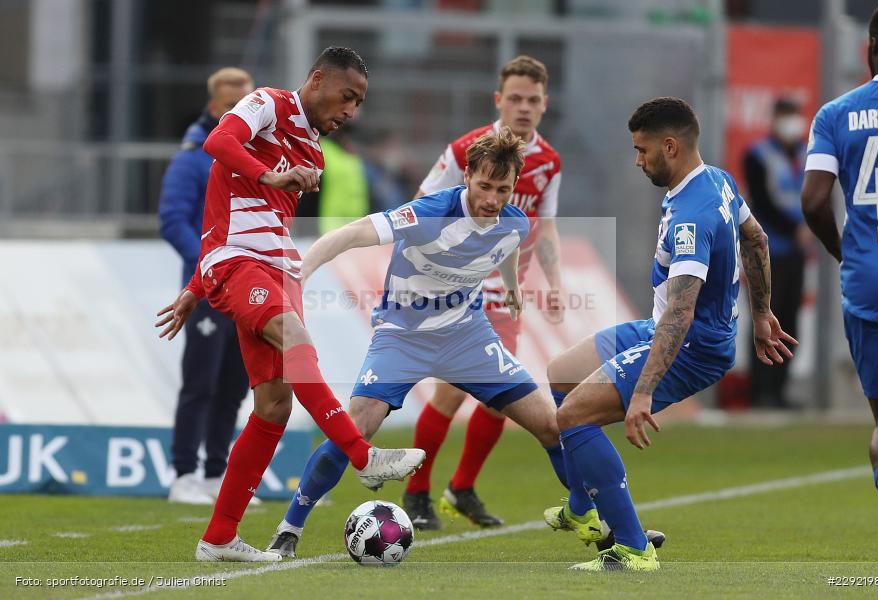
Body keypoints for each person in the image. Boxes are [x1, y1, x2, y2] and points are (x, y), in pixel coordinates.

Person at [155, 46, 425, 562]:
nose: (351, 112)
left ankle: (218, 539)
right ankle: (362, 454)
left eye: (359, 103)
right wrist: (268, 175)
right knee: (297, 339)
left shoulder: (316, 153)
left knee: (274, 407)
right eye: (347, 97)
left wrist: (194, 287)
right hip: (240, 265)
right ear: (317, 79)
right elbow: (219, 141)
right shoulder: (267, 103)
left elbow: (237, 212)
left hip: (277, 269)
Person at [264, 128, 571, 559]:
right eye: (484, 186)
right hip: (402, 338)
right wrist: (301, 273)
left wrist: (512, 288)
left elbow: (509, 247)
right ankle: (290, 527)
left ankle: (604, 520)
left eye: (502, 190)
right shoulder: (427, 212)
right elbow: (348, 235)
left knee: (553, 425)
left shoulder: (514, 222)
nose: (491, 199)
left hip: (467, 337)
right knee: (353, 430)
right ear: (467, 177)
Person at [545, 97, 797, 571]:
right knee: (560, 376)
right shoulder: (716, 181)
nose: (637, 160)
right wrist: (761, 313)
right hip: (665, 327)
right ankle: (582, 509)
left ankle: (632, 548)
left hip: (688, 345)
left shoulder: (690, 218)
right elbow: (756, 238)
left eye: (642, 151)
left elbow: (681, 311)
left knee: (574, 417)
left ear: (670, 146)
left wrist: (643, 391)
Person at [402, 55, 564, 530]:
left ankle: (460, 487)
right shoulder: (465, 150)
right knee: (454, 394)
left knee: (501, 395)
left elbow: (546, 229)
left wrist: (554, 284)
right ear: (499, 100)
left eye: (533, 100)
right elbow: (421, 205)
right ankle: (418, 492)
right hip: (460, 290)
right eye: (514, 97)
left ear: (544, 104)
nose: (524, 107)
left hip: (507, 297)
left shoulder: (549, 163)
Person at [801, 0, 878, 563]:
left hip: (872, 280)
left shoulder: (836, 113)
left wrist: (848, 252)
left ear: (870, 50)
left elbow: (814, 199)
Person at [159, 67, 255, 505]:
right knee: (199, 382)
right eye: (235, 106)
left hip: (246, 289)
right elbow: (172, 220)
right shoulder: (192, 158)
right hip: (205, 291)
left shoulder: (255, 158)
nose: (244, 114)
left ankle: (217, 473)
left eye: (249, 104)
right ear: (215, 108)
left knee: (234, 384)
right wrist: (210, 265)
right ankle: (183, 474)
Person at [743, 97, 813, 409]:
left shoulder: (804, 153)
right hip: (766, 252)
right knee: (764, 319)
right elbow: (762, 204)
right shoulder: (758, 155)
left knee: (791, 321)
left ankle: (781, 390)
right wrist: (793, 229)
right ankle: (762, 392)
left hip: (796, 252)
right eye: (786, 116)